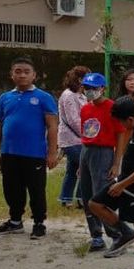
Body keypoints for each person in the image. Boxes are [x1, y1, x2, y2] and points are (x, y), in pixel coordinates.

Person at [87, 96, 134, 269]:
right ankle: (125, 233)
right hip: (123, 182)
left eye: (121, 122)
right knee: (95, 204)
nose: (121, 125)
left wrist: (122, 185)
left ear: (131, 119)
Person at [0, 57, 59, 239]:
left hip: (34, 154)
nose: (22, 75)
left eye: (26, 72)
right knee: (11, 189)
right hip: (9, 153)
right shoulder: (5, 98)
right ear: (11, 74)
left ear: (34, 75)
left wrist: (52, 152)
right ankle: (15, 222)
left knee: (36, 189)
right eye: (18, 71)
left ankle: (39, 223)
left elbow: (52, 126)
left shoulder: (44, 98)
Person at [78, 72, 124, 252]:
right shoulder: (85, 109)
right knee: (87, 194)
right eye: (87, 88)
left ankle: (117, 234)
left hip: (104, 151)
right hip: (86, 150)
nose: (90, 91)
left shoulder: (112, 107)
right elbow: (85, 134)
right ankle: (96, 235)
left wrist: (116, 162)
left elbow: (120, 134)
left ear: (102, 88)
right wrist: (81, 165)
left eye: (94, 88)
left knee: (101, 195)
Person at [56, 65, 89, 208]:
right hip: (71, 138)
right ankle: (82, 198)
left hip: (79, 138)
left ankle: (66, 198)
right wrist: (87, 134)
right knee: (85, 167)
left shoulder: (82, 95)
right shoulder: (69, 95)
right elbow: (73, 119)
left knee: (72, 169)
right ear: (80, 79)